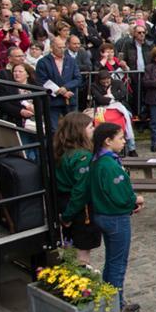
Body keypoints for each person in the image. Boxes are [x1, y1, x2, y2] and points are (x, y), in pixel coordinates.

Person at [61, 122, 147, 312]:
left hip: (104, 215)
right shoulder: (107, 164)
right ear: (108, 141)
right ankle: (117, 307)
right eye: (120, 138)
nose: (124, 141)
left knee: (112, 261)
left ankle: (114, 298)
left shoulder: (97, 160)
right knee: (117, 263)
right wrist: (135, 200)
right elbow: (119, 194)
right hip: (115, 218)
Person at [54, 112, 100, 265]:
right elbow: (81, 190)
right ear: (79, 130)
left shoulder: (60, 151)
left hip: (64, 202)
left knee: (69, 249)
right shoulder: (82, 156)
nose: (94, 129)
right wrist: (68, 216)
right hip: (79, 209)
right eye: (90, 127)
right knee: (81, 255)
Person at [35, 36, 82, 130]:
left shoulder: (71, 60)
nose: (62, 50)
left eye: (63, 47)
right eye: (59, 47)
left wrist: (66, 87)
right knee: (53, 129)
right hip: (53, 101)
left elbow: (78, 78)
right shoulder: (43, 62)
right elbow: (42, 81)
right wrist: (61, 91)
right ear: (51, 47)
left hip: (70, 100)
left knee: (73, 128)